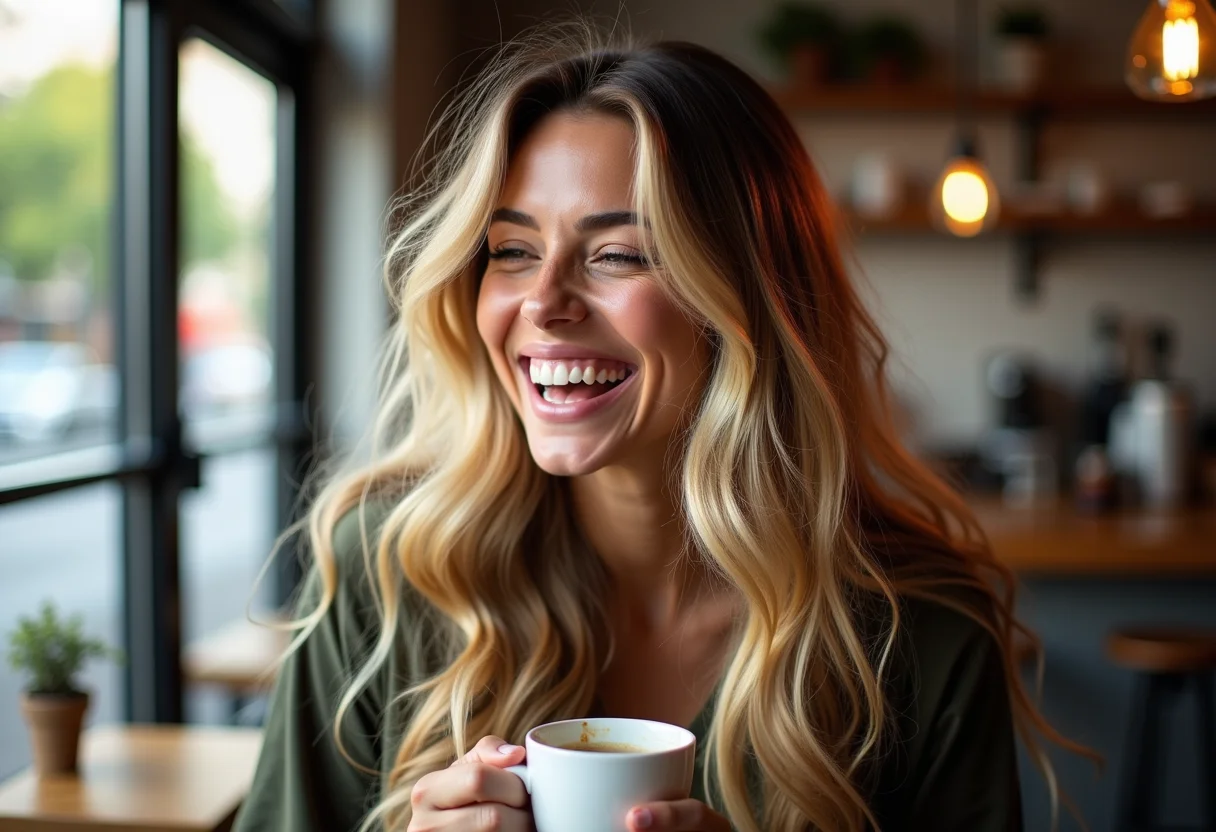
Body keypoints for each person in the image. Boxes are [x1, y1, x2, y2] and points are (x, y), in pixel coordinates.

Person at [233, 26, 1079, 832]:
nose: (543, 303)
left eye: (619, 254)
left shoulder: (919, 629)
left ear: (750, 299)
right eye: (513, 250)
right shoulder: (390, 571)